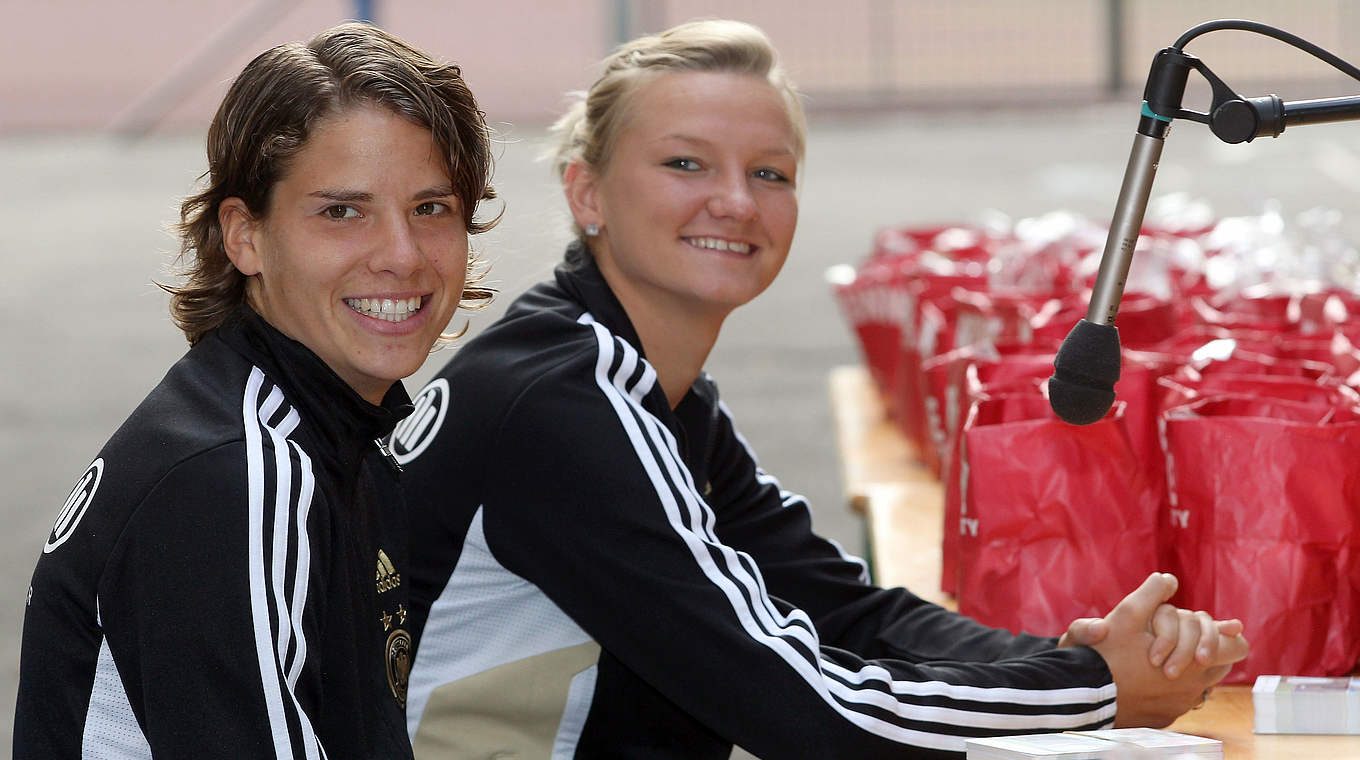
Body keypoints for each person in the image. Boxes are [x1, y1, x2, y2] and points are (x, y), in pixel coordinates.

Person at [397, 19, 1247, 758]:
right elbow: (809, 713)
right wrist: (1092, 690)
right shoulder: (564, 407)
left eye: (771, 173)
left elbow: (844, 611)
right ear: (588, 192)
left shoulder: (645, 388)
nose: (734, 201)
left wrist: (1077, 656)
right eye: (686, 163)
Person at [14, 22, 495, 758]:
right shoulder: (237, 476)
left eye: (431, 209)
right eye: (342, 211)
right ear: (244, 235)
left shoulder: (329, 433)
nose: (402, 256)